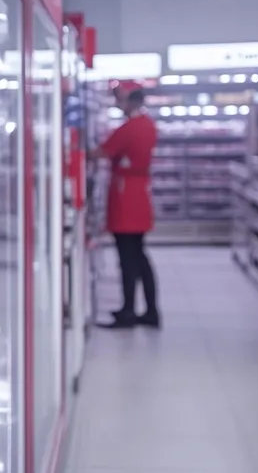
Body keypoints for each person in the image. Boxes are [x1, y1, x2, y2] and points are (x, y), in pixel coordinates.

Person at [90, 81, 160, 329]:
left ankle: (129, 310)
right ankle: (149, 309)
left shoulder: (130, 128)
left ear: (130, 100)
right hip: (140, 195)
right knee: (139, 255)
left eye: (120, 99)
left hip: (125, 197)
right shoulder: (148, 126)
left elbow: (102, 152)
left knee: (128, 257)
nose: (118, 104)